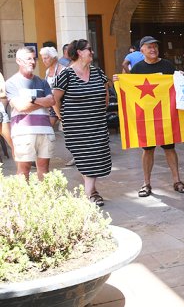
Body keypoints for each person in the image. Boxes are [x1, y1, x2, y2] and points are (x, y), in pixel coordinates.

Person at [52, 39, 111, 206]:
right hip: (77, 127)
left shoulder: (98, 72)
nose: (91, 52)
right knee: (86, 158)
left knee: (97, 157)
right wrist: (61, 116)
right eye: (89, 49)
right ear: (79, 52)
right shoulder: (66, 74)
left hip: (97, 123)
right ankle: (89, 194)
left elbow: (105, 92)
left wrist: (101, 106)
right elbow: (55, 99)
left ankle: (91, 193)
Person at [129, 35, 184, 197]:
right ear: (142, 50)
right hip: (147, 118)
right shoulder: (137, 69)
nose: (153, 49)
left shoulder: (167, 65)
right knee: (148, 150)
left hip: (165, 115)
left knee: (170, 148)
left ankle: (177, 180)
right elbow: (129, 90)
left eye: (155, 46)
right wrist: (118, 81)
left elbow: (178, 83)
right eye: (149, 47)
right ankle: (146, 183)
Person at [5, 46, 56, 180]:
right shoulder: (11, 83)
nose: (32, 62)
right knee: (24, 170)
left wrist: (32, 100)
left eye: (34, 59)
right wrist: (41, 101)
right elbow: (21, 107)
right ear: (18, 61)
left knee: (45, 170)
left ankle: (44, 199)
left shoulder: (42, 82)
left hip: (45, 131)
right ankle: (24, 200)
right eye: (28, 59)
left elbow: (51, 101)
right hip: (23, 132)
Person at [39, 46, 65, 126]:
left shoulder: (62, 70)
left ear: (53, 58)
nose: (44, 61)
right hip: (50, 103)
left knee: (48, 128)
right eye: (43, 59)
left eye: (46, 58)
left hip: (60, 103)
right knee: (47, 129)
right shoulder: (47, 71)